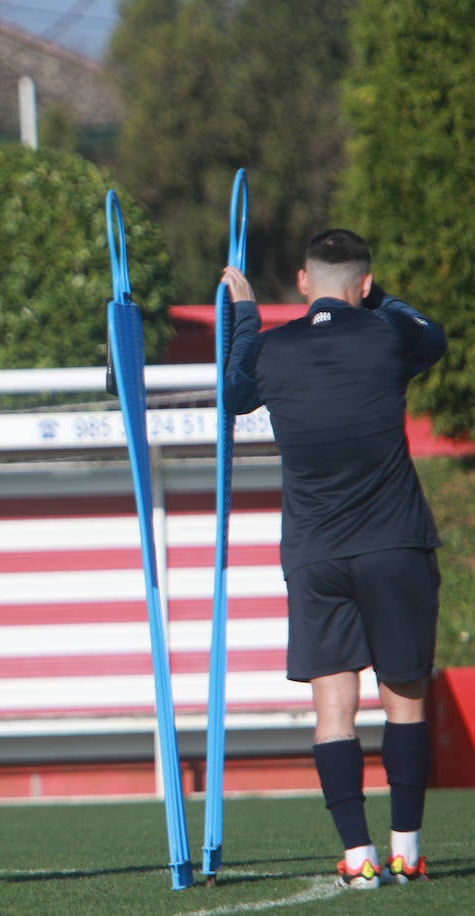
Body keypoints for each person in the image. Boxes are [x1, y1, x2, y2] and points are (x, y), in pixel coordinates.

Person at [221, 228, 447, 890]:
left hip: (315, 553)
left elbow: (233, 394)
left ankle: (357, 857)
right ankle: (406, 851)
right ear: (366, 286)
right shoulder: (387, 334)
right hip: (394, 543)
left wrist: (243, 315)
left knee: (333, 711)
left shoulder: (271, 350)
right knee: (404, 702)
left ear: (301, 282)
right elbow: (429, 335)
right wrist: (379, 301)